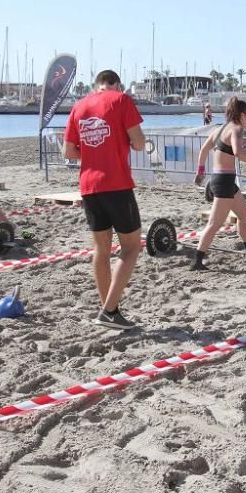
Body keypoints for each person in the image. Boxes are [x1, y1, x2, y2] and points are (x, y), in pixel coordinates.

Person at [64, 70, 145, 330]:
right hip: (116, 183)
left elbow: (69, 151)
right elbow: (140, 143)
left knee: (101, 249)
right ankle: (109, 310)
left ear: (95, 84)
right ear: (115, 83)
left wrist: (94, 152)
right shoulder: (120, 99)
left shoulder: (79, 106)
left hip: (89, 185)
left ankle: (110, 310)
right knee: (131, 247)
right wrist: (118, 146)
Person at [192, 98, 246, 270]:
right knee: (214, 224)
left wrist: (200, 171)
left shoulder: (219, 129)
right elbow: (238, 152)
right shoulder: (237, 129)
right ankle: (196, 261)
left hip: (221, 180)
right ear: (241, 114)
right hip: (224, 183)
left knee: (244, 213)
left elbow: (204, 150)